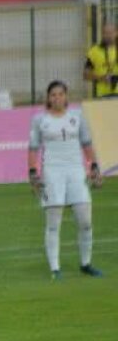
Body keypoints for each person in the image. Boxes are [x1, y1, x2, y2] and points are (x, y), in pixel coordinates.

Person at [28, 80, 104, 280]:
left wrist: (94, 166)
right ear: (48, 98)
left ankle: (86, 264)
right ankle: (55, 269)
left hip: (76, 172)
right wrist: (33, 173)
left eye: (60, 94)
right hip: (52, 173)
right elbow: (33, 148)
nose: (57, 98)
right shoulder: (39, 120)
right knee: (54, 222)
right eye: (53, 95)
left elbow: (87, 144)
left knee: (85, 221)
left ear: (66, 96)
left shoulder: (77, 116)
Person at [84, 22, 118, 99]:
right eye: (105, 33)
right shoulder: (94, 51)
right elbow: (86, 74)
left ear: (116, 33)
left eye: (111, 32)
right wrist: (101, 78)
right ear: (102, 34)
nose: (108, 35)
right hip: (102, 95)